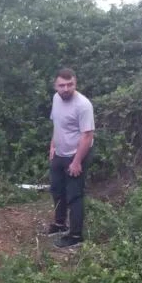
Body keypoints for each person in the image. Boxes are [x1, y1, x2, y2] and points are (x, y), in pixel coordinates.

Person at [47, 68, 95, 249]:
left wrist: (76, 162)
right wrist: (53, 145)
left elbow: (87, 136)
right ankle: (60, 224)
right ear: (55, 86)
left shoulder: (83, 105)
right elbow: (57, 124)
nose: (66, 89)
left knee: (75, 196)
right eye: (62, 85)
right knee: (57, 190)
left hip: (77, 155)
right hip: (59, 153)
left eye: (70, 85)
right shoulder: (56, 99)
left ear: (75, 84)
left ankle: (76, 235)